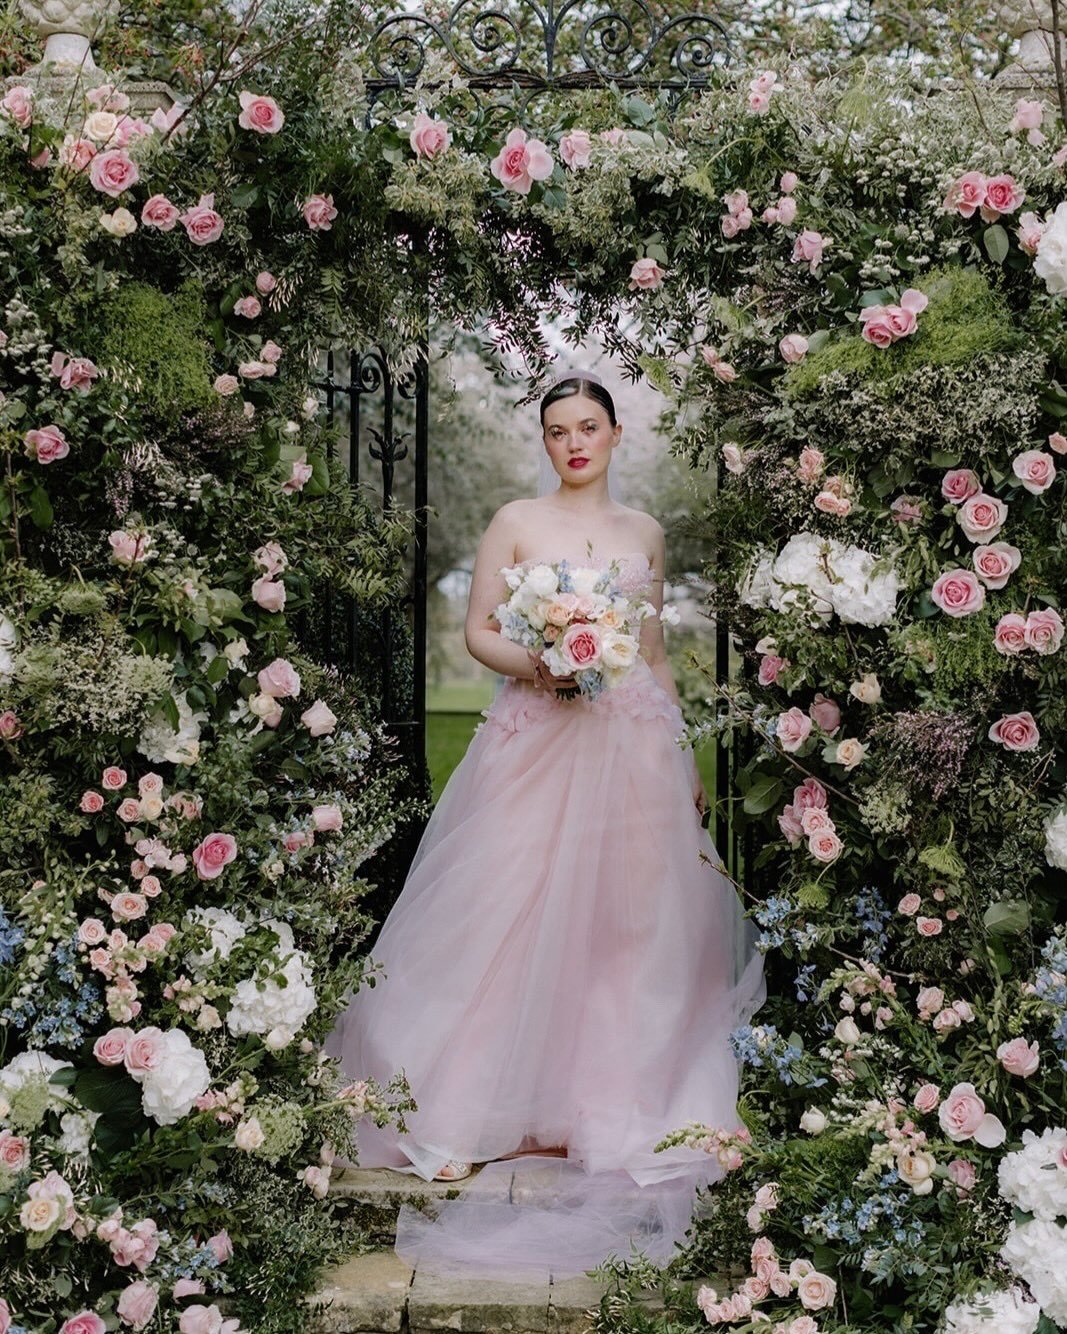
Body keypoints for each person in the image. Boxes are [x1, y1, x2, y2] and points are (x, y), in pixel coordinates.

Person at [324, 371, 766, 1281]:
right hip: (537, 739)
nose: (574, 443)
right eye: (558, 430)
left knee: (629, 924)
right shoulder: (515, 520)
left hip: (631, 746)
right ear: (545, 441)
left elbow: (648, 654)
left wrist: (681, 753)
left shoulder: (644, 532)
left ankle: (612, 1105)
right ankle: (455, 1103)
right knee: (502, 907)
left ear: (613, 434)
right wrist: (544, 663)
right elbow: (477, 633)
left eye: (589, 427)